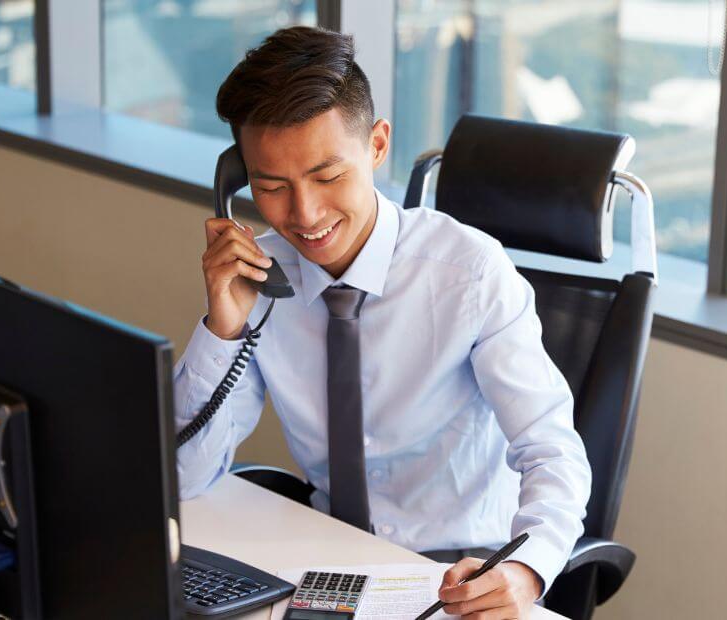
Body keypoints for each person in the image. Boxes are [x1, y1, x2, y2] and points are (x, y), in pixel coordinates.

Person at [173, 26, 592, 618]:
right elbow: (182, 477)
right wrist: (223, 329)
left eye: (326, 176)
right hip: (326, 565)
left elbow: (552, 450)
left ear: (376, 145)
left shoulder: (469, 274)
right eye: (271, 186)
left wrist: (527, 569)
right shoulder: (258, 277)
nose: (305, 214)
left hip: (454, 575)